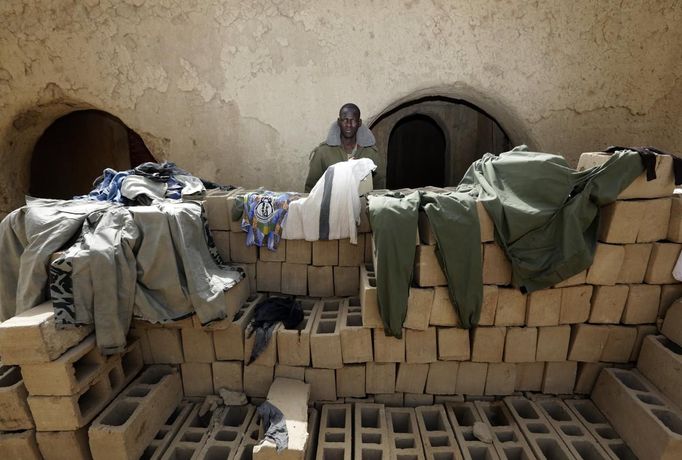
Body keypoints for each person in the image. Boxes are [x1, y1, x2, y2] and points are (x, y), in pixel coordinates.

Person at [304, 103, 382, 192]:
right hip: (330, 205)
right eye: (345, 120)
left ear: (359, 123)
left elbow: (379, 188)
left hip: (362, 204)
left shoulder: (371, 153)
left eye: (353, 120)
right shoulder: (323, 152)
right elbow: (311, 188)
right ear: (338, 122)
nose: (348, 124)